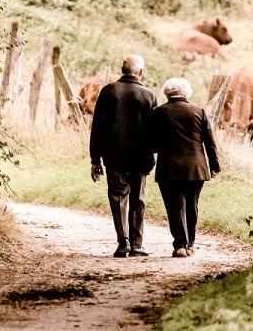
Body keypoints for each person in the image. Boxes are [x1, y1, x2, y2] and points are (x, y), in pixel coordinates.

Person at [89, 54, 158, 258]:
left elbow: (97, 128)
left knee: (118, 197)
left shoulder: (109, 92)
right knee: (138, 199)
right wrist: (153, 152)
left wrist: (95, 159)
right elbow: (154, 131)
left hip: (114, 155)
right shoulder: (149, 95)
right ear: (141, 72)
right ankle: (137, 245)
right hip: (141, 156)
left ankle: (123, 242)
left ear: (122, 69)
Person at [151, 78, 221, 258]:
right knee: (192, 205)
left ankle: (180, 245)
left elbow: (151, 143)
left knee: (174, 207)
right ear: (186, 93)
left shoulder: (158, 113)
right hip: (196, 167)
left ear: (166, 93)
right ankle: (190, 244)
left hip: (169, 167)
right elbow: (210, 143)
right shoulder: (199, 112)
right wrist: (215, 166)